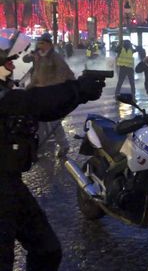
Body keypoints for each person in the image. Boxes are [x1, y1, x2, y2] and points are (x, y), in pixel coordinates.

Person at [0, 29, 105, 271]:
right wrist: (77, 90)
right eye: (6, 62)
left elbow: (42, 109)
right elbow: (29, 102)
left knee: (47, 250)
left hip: (10, 184)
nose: (10, 66)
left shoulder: (9, 89)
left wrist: (78, 95)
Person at [23, 33, 76, 158]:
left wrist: (52, 86)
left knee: (53, 121)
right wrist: (30, 86)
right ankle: (39, 147)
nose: (40, 45)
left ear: (49, 44)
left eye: (42, 43)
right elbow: (27, 62)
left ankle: (64, 145)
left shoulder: (55, 57)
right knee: (39, 121)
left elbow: (64, 74)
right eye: (39, 42)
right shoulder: (37, 56)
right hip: (38, 92)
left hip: (51, 94)